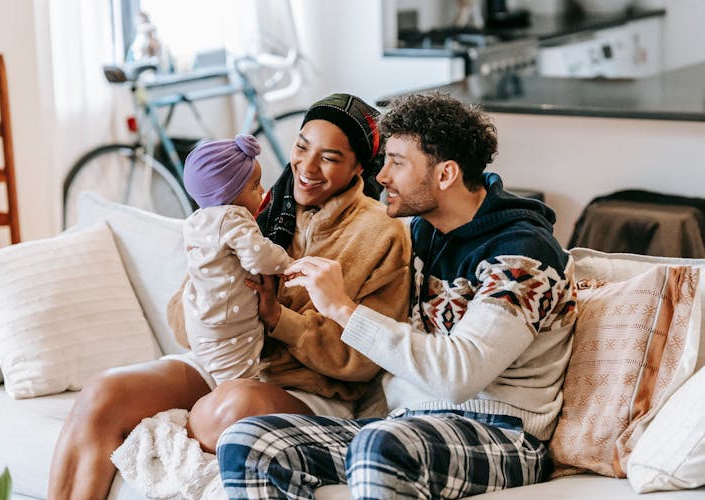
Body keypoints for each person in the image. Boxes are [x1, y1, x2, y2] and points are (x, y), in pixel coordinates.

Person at [47, 92, 411, 500]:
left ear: (359, 166)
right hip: (225, 361)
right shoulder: (249, 209)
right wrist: (209, 288)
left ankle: (168, 435)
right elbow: (182, 327)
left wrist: (278, 319)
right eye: (302, 147)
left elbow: (365, 359)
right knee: (103, 395)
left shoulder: (383, 235)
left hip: (309, 392)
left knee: (232, 406)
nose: (307, 168)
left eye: (329, 158)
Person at [216, 92, 578, 500]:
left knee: (382, 445)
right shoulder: (423, 233)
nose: (382, 176)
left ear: (445, 175)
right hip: (408, 425)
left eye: (397, 163)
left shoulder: (522, 254)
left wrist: (341, 308)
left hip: (502, 434)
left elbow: (459, 375)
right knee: (248, 442)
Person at [179, 134, 293, 386]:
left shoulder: (195, 221)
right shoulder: (233, 216)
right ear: (227, 192)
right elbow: (259, 257)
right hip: (231, 324)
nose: (263, 191)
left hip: (201, 321)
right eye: (255, 186)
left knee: (220, 378)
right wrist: (289, 264)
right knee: (240, 381)